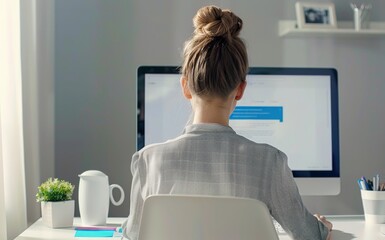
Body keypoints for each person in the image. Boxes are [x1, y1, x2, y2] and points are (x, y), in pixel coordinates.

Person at [122, 5, 332, 240]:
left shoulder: (148, 162)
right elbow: (309, 236)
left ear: (185, 87)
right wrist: (321, 227)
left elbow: (133, 235)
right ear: (240, 90)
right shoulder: (270, 163)